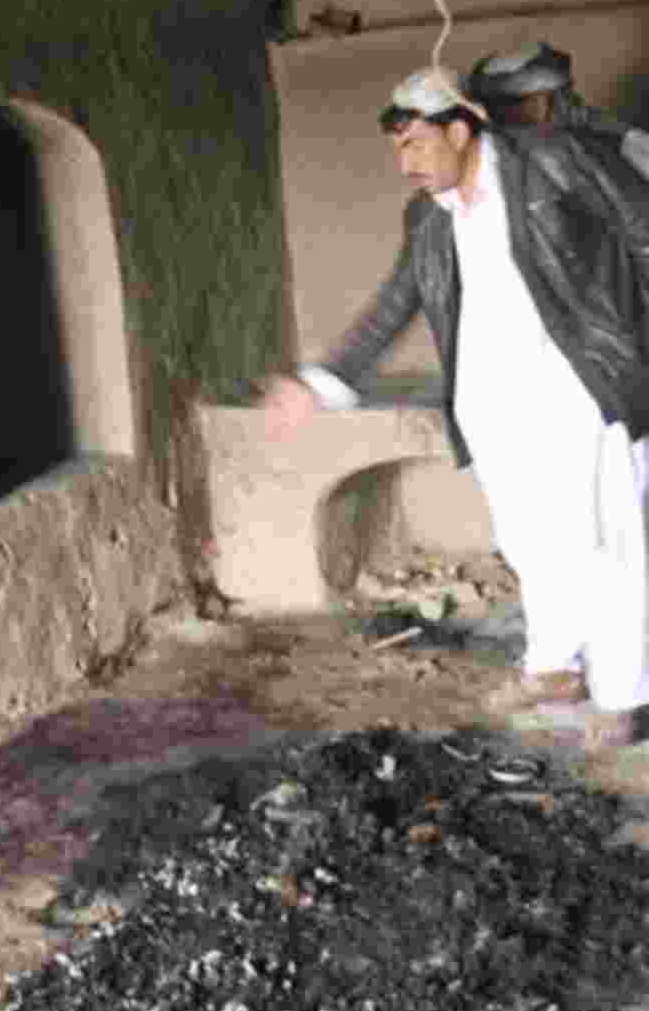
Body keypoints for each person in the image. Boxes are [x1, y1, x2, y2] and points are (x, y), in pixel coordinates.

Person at [256, 66, 649, 751]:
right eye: (398, 149)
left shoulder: (553, 163)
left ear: (461, 129)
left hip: (576, 389)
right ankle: (554, 666)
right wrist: (319, 382)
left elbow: (641, 228)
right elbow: (395, 304)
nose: (405, 163)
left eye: (415, 144)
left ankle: (622, 693)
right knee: (529, 540)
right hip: (493, 401)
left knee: (600, 541)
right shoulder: (429, 218)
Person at [467, 40, 649, 178]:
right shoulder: (489, 165)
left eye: (565, 94)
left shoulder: (612, 144)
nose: (566, 105)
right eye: (551, 99)